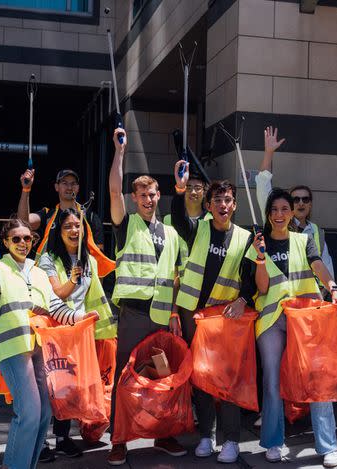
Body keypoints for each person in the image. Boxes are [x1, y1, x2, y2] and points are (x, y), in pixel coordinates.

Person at [0, 218, 97, 469]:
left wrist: (80, 317)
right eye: (16, 239)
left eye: (27, 238)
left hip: (39, 349)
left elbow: (55, 308)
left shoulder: (39, 272)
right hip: (12, 348)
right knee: (29, 412)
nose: (22, 243)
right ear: (6, 241)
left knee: (43, 415)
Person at [250, 188, 337, 467]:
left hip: (305, 317)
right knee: (271, 382)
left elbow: (317, 265)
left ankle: (328, 445)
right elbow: (263, 287)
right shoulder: (259, 243)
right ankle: (273, 442)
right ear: (268, 214)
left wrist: (333, 288)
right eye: (274, 210)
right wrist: (259, 258)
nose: (279, 215)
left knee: (317, 379)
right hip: (272, 321)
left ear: (292, 213)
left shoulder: (305, 240)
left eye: (284, 209)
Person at [107, 128, 185, 466]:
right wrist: (119, 152)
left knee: (162, 377)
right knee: (126, 377)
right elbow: (113, 189)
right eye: (141, 195)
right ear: (135, 198)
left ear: (158, 195)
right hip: (134, 315)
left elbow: (176, 276)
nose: (148, 199)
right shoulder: (126, 224)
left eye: (152, 194)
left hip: (161, 316)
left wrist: (174, 313)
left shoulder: (170, 231)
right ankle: (119, 438)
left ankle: (162, 433)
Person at [171, 160, 256, 464]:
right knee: (201, 377)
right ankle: (206, 434)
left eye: (228, 200)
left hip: (224, 320)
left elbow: (250, 280)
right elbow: (180, 217)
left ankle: (231, 439)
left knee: (228, 379)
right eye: (217, 199)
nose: (222, 204)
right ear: (208, 204)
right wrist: (180, 190)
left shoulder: (246, 238)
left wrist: (244, 299)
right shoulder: (197, 228)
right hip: (193, 316)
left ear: (234, 205)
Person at [37, 208, 118, 462]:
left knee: (69, 388)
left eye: (78, 226)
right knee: (50, 388)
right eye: (68, 227)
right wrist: (72, 280)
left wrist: (103, 331)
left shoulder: (90, 261)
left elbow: (95, 298)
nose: (74, 231)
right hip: (54, 334)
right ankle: (40, 442)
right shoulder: (48, 260)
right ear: (59, 232)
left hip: (80, 333)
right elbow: (54, 297)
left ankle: (62, 438)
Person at [255, 126, 335, 281]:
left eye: (305, 199)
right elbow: (263, 185)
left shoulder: (317, 232)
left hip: (310, 298)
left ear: (310, 204)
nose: (300, 203)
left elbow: (326, 265)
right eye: (295, 199)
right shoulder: (276, 222)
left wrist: (331, 291)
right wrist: (268, 153)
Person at [17, 168, 112, 270]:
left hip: (80, 277)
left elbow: (98, 260)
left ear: (78, 187)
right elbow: (23, 223)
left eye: (73, 183)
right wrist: (26, 189)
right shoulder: (48, 214)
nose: (69, 187)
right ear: (56, 187)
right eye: (64, 183)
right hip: (50, 276)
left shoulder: (91, 218)